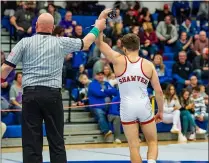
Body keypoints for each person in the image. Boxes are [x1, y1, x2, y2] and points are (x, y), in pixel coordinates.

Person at [1, 12, 106, 163]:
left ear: (36, 25)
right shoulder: (60, 42)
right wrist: (97, 27)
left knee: (31, 143)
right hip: (52, 96)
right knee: (56, 141)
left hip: (30, 95)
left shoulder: (24, 43)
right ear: (53, 28)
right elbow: (86, 42)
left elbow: (5, 70)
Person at [95, 8, 164, 163]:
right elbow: (159, 92)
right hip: (144, 105)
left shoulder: (118, 59)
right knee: (152, 142)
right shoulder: (148, 65)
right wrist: (160, 111)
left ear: (124, 48)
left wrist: (101, 17)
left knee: (134, 147)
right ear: (139, 46)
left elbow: (98, 41)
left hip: (127, 107)